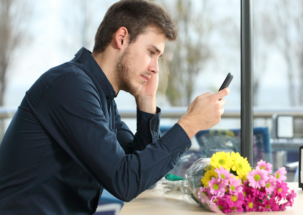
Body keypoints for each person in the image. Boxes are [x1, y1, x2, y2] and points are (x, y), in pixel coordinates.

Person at [0, 0, 229, 214]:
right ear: (122, 38)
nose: (155, 68)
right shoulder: (69, 86)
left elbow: (143, 175)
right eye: (151, 53)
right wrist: (190, 124)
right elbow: (125, 181)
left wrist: (147, 102)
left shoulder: (101, 97)